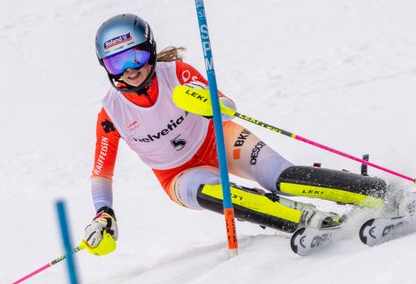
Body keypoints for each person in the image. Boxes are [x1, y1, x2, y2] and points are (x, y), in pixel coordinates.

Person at [82, 13, 392, 255]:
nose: (129, 70)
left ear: (149, 51)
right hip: (177, 175)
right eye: (116, 62)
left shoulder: (176, 73)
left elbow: (228, 108)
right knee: (218, 193)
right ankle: (306, 219)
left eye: (134, 57)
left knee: (281, 177)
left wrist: (208, 104)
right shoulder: (111, 113)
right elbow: (101, 173)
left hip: (217, 138)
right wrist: (104, 214)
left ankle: (379, 192)